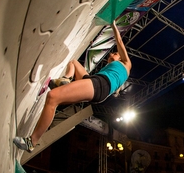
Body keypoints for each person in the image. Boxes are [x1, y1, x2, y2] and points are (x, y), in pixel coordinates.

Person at [13, 20, 132, 152]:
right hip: (96, 81)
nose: (111, 55)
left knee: (53, 97)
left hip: (100, 85)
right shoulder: (112, 68)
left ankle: (32, 141)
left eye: (114, 54)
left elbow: (119, 42)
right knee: (74, 63)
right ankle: (65, 79)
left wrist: (113, 25)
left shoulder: (127, 64)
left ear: (121, 57)